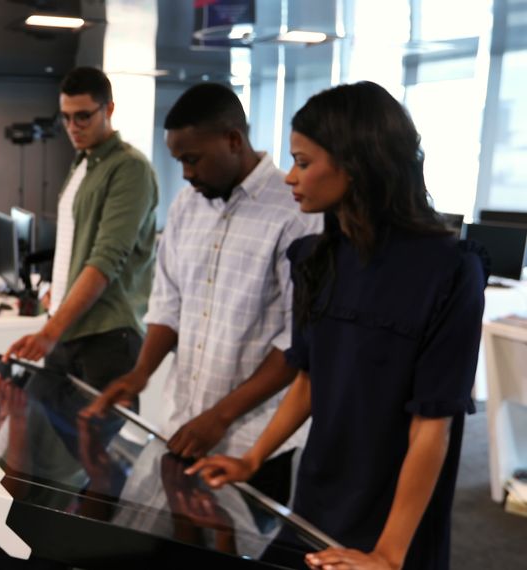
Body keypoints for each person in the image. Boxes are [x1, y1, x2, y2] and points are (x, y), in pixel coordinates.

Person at [188, 81, 487, 570]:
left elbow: (433, 426)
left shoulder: (450, 270)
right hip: (320, 492)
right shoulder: (315, 257)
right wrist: (253, 458)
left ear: (357, 164)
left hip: (395, 513)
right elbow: (309, 380)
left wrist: (388, 554)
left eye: (303, 162)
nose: (289, 177)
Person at [83, 83, 321, 504]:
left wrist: (221, 417)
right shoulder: (185, 205)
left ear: (233, 140)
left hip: (253, 440)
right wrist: (141, 373)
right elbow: (169, 303)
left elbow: (296, 341)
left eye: (193, 160)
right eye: (179, 162)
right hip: (182, 423)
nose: (187, 174)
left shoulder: (296, 213)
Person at [2, 67, 158, 391]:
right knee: (54, 436)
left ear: (109, 109)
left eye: (83, 116)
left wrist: (49, 333)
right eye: (66, 117)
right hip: (67, 327)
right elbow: (73, 243)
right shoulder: (83, 163)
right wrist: (53, 292)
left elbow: (105, 260)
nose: (73, 127)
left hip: (106, 337)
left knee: (95, 441)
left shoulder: (129, 167)